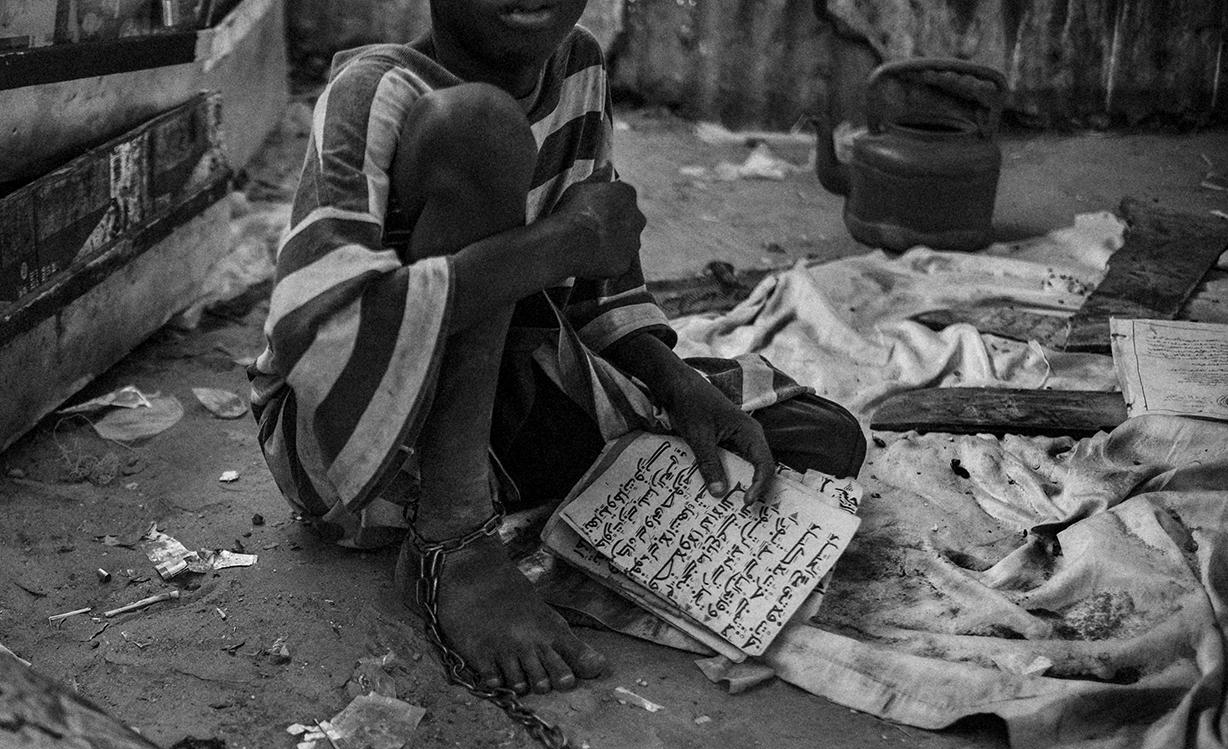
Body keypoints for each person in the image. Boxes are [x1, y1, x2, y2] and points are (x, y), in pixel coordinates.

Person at [250, 0, 865, 697]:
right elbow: (325, 332)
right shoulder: (375, 91)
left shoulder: (577, 66)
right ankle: (452, 544)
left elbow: (588, 280)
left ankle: (528, 495)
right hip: (349, 440)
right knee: (476, 125)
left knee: (820, 441)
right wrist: (559, 243)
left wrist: (675, 385)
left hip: (494, 381)